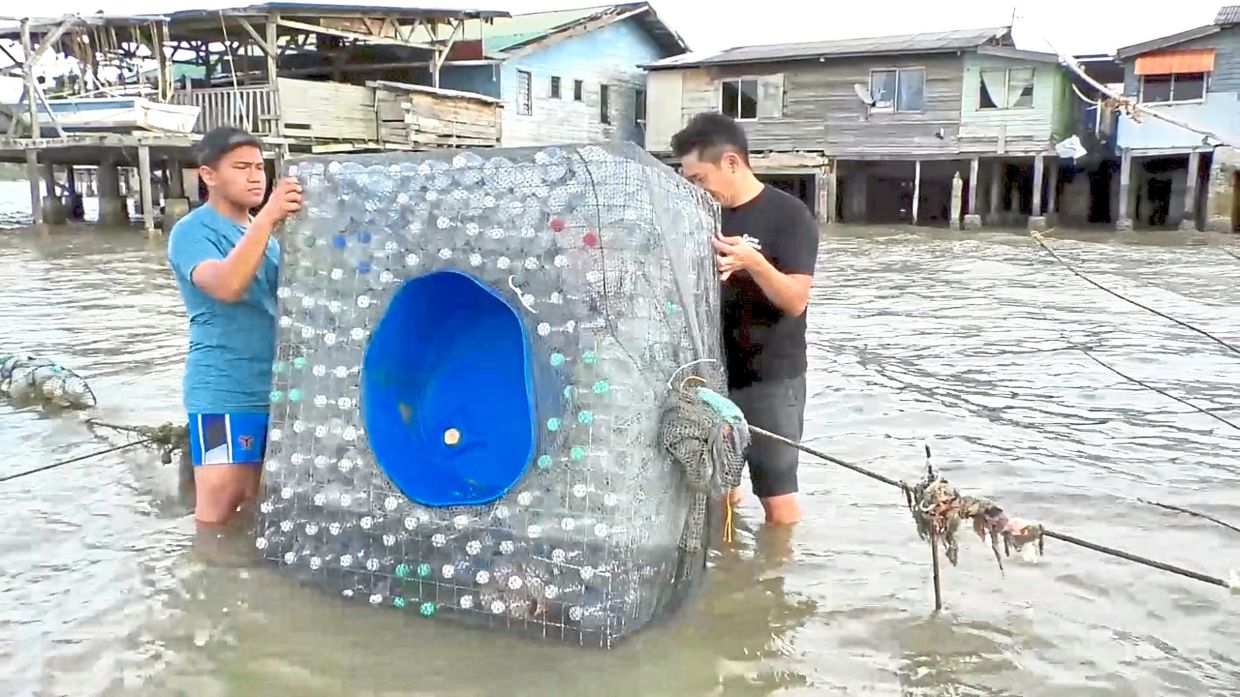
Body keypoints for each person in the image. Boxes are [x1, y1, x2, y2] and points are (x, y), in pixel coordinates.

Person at [671, 112, 819, 526]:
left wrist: (753, 262)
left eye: (700, 178)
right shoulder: (699, 215)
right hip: (712, 378)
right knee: (719, 489)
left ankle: (776, 566)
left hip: (771, 378)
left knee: (778, 500)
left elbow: (795, 300)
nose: (696, 189)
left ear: (732, 162)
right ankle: (730, 561)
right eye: (689, 180)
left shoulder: (789, 215)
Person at [167, 127, 302, 525]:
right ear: (208, 175)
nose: (255, 177)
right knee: (219, 509)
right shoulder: (192, 231)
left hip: (274, 389)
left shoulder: (267, 240)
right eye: (241, 168)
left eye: (259, 167)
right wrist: (269, 218)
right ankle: (202, 567)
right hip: (223, 392)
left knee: (259, 506)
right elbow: (226, 285)